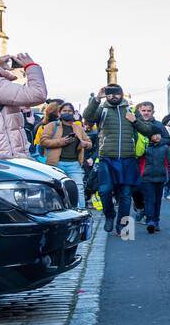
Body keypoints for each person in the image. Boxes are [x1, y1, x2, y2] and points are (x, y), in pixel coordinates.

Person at [84, 84, 155, 232]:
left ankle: (122, 226)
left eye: (116, 93)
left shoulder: (131, 110)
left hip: (127, 158)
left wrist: (134, 121)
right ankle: (110, 215)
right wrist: (96, 98)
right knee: (104, 190)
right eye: (110, 94)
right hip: (106, 158)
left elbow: (148, 130)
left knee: (126, 195)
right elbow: (88, 116)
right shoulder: (101, 109)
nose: (113, 96)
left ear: (121, 94)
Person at [40, 101, 92, 203]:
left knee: (79, 189)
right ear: (59, 113)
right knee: (55, 190)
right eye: (64, 111)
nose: (67, 113)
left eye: (70, 111)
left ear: (73, 113)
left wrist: (84, 144)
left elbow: (89, 142)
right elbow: (43, 141)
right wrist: (61, 142)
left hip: (74, 164)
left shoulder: (78, 128)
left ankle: (81, 212)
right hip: (55, 164)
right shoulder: (52, 126)